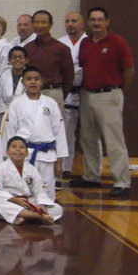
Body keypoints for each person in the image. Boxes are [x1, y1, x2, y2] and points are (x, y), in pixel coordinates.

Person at [72, 6, 135, 197]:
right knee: (88, 139)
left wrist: (120, 92)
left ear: (107, 22)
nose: (96, 23)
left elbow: (129, 70)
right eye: (93, 20)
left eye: (100, 19)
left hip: (109, 95)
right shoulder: (86, 43)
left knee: (114, 140)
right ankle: (92, 176)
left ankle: (122, 181)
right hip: (87, 94)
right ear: (88, 23)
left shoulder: (117, 42)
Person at [4, 66, 68, 200]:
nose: (32, 82)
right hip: (23, 155)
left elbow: (59, 132)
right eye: (29, 79)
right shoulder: (16, 104)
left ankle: (44, 213)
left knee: (47, 192)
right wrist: (10, 157)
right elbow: (10, 132)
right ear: (23, 82)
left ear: (42, 81)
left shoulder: (51, 103)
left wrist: (60, 159)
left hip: (47, 155)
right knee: (23, 190)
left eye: (36, 79)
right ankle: (27, 212)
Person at [0, 136, 63, 225]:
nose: (18, 150)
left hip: (28, 203)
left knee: (58, 209)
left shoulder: (31, 169)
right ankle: (37, 217)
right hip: (11, 201)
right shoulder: (1, 168)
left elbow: (39, 189)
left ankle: (24, 216)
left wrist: (41, 204)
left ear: (27, 152)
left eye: (22, 147)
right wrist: (15, 200)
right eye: (14, 147)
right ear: (7, 152)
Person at [24, 10, 74, 112]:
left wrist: (60, 95)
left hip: (53, 92)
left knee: (54, 126)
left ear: (50, 25)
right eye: (37, 22)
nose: (40, 25)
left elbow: (69, 76)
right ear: (33, 24)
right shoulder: (28, 48)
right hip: (32, 92)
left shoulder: (61, 48)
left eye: (43, 22)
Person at [58, 11, 87, 178]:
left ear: (82, 24)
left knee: (91, 134)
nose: (70, 24)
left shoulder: (88, 42)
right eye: (67, 21)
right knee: (67, 132)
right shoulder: (61, 43)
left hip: (86, 92)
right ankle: (67, 167)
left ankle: (94, 171)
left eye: (74, 21)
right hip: (68, 93)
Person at [0, 46, 28, 114]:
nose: (17, 59)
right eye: (14, 57)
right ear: (9, 60)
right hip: (6, 112)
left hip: (26, 111)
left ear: (26, 60)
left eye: (20, 57)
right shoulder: (4, 76)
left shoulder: (30, 76)